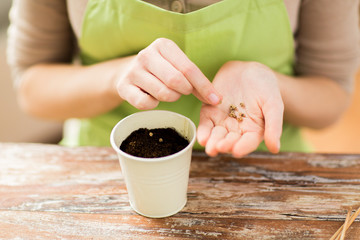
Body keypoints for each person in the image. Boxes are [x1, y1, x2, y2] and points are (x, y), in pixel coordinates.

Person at [7, 0, 360, 158]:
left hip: (262, 168)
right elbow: (33, 87)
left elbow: (331, 96)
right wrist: (116, 75)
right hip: (104, 170)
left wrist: (268, 81)